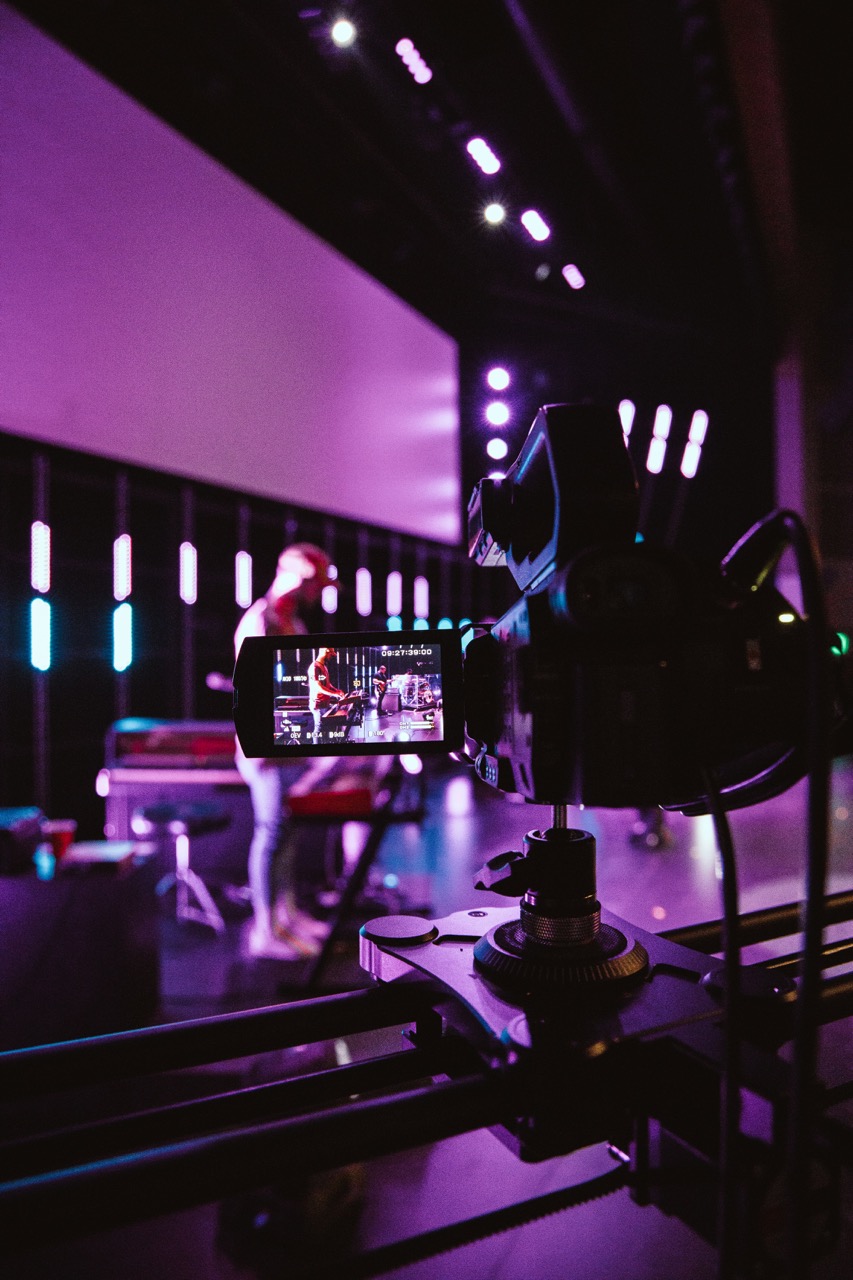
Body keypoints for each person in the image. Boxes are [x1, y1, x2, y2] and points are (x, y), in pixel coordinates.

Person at [234, 543, 333, 960]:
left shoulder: (291, 620)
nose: (318, 593)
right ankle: (265, 929)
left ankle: (286, 916)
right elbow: (257, 687)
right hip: (266, 751)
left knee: (287, 836)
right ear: (301, 577)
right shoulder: (262, 620)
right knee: (271, 834)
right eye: (316, 583)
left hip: (288, 746)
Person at [307, 647, 346, 742]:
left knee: (327, 728)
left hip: (324, 704)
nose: (331, 656)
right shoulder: (315, 667)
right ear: (326, 651)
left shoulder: (323, 666)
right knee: (319, 729)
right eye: (331, 654)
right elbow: (318, 687)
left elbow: (327, 684)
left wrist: (337, 690)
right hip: (318, 705)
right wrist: (335, 694)